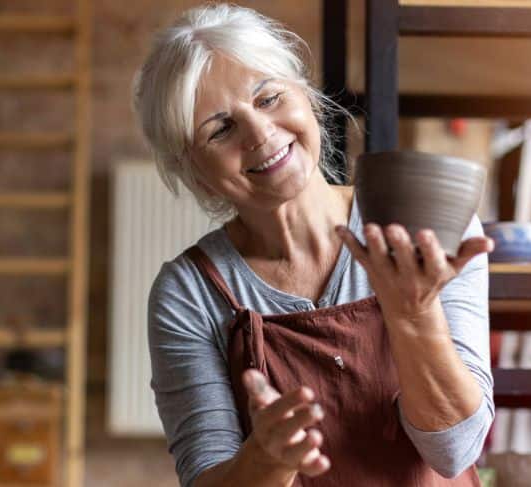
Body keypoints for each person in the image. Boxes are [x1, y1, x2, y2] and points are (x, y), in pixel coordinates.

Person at [133, 4, 494, 486]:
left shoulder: (422, 221)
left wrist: (414, 316)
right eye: (221, 129)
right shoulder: (189, 292)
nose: (261, 133)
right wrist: (267, 458)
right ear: (195, 172)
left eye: (268, 98)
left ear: (305, 95)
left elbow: (454, 451)